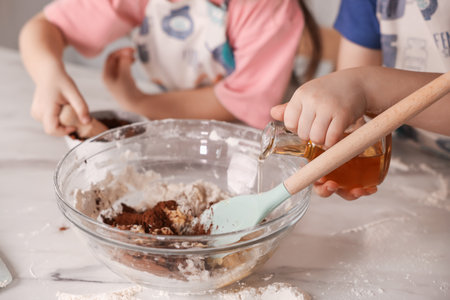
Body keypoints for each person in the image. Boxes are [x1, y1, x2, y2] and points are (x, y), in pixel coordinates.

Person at [19, 0, 321, 136]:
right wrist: (48, 75)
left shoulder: (269, 8)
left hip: (256, 135)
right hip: (173, 119)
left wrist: (138, 102)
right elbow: (45, 27)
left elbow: (237, 103)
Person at [271, 0, 450, 200]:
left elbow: (360, 86)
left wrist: (367, 87)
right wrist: (345, 158)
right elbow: (354, 114)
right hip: (416, 159)